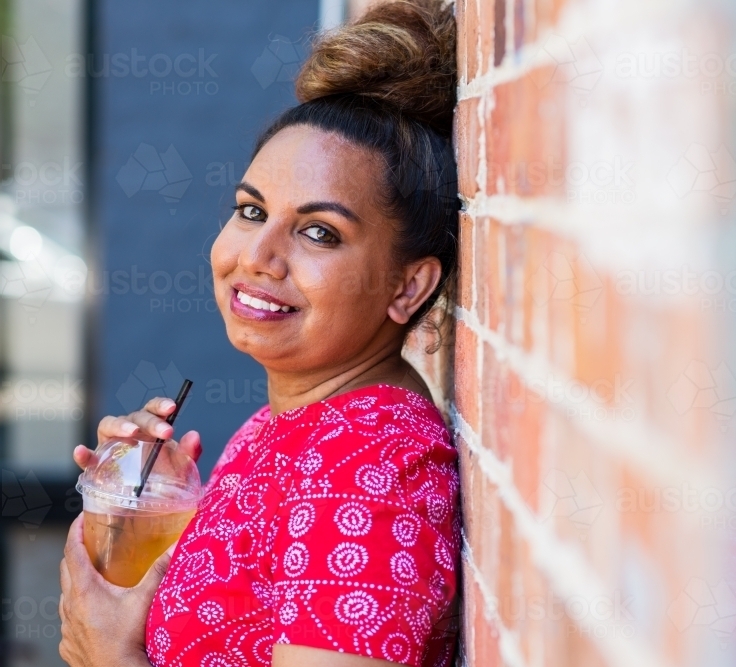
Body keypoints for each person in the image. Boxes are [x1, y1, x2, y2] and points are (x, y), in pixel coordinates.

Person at [57, 1, 461, 665]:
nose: (258, 256)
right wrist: (129, 502)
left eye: (318, 231)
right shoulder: (293, 423)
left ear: (408, 286)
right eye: (251, 210)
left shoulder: (368, 467)